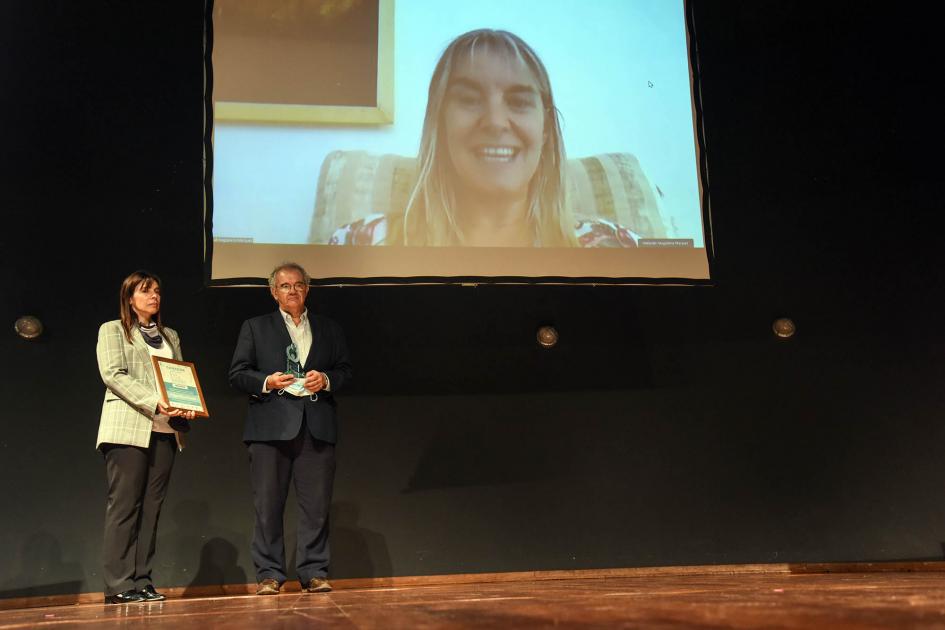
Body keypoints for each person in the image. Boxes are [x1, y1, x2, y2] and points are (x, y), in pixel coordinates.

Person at [329, 28, 640, 248]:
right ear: (440, 122)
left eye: (518, 102)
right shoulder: (357, 243)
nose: (494, 122)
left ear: (545, 129)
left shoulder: (618, 246)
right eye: (469, 99)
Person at [229, 262, 353, 595]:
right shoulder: (255, 327)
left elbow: (345, 371)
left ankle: (313, 572)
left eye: (298, 285)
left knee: (316, 506)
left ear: (307, 289)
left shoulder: (329, 328)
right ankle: (269, 574)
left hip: (317, 426)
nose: (292, 290)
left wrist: (325, 380)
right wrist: (266, 381)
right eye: (285, 286)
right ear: (274, 292)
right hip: (270, 428)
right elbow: (238, 373)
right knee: (268, 505)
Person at [96, 270, 195, 604]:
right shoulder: (113, 330)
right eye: (145, 291)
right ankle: (118, 584)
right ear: (129, 297)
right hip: (128, 427)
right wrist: (155, 401)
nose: (154, 296)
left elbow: (179, 377)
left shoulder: (170, 335)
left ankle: (142, 580)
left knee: (151, 509)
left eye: (157, 291)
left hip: (165, 431)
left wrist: (186, 406)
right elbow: (113, 374)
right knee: (125, 506)